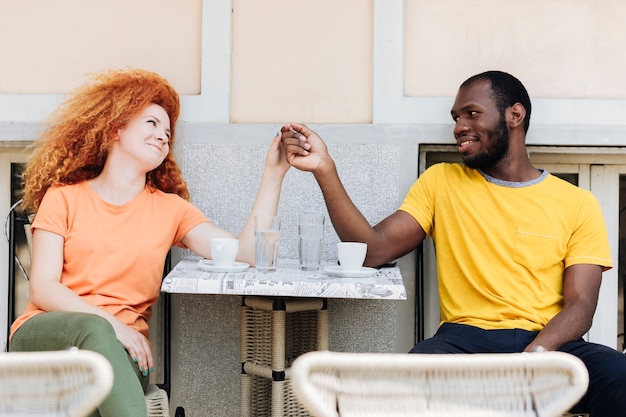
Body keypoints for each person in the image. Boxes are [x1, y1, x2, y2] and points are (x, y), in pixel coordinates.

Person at [281, 70, 626, 416]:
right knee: (416, 377)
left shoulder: (577, 202)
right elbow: (372, 250)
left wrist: (535, 358)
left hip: (551, 344)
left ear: (514, 115)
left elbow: (581, 305)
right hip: (464, 342)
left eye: (472, 114)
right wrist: (324, 169)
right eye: (456, 118)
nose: (459, 126)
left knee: (618, 375)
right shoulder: (441, 182)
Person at [9, 68, 291, 417]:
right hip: (49, 336)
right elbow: (43, 288)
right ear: (116, 129)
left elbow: (246, 254)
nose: (163, 136)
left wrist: (273, 174)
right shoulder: (64, 198)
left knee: (102, 373)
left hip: (126, 354)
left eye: (168, 132)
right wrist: (114, 327)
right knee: (96, 332)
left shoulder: (171, 210)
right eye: (152, 124)